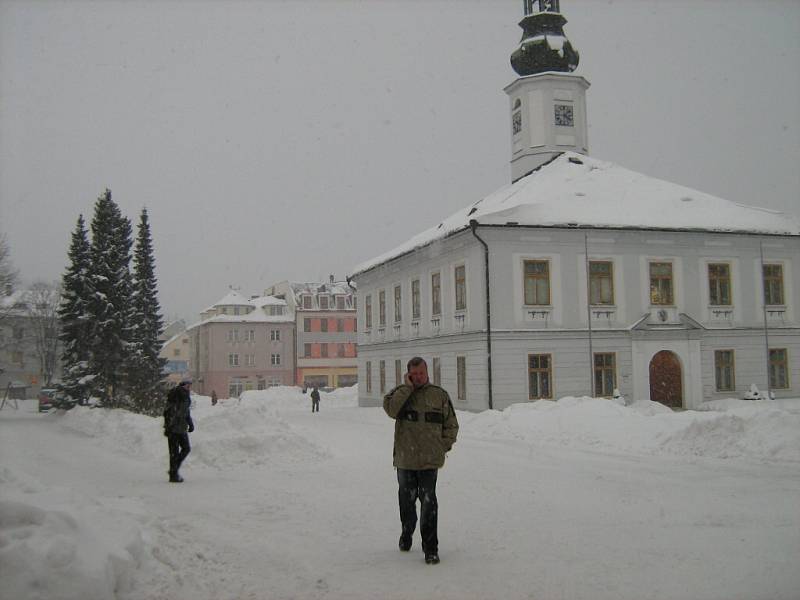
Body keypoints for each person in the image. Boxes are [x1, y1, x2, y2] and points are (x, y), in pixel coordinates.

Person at [383, 357, 459, 565]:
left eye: (421, 373)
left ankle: (430, 548)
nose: (418, 377)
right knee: (407, 503)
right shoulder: (398, 394)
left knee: (428, 503)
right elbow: (390, 411)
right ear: (408, 374)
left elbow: (451, 425)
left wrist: (442, 447)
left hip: (429, 462)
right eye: (414, 374)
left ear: (427, 373)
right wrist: (407, 389)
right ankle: (407, 532)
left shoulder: (438, 395)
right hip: (406, 461)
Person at [164, 379, 194, 483]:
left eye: (190, 386)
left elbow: (185, 411)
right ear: (184, 385)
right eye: (188, 386)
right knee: (178, 451)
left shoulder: (182, 395)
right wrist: (169, 426)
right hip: (175, 428)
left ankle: (173, 471)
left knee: (181, 450)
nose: (190, 387)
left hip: (178, 428)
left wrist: (190, 423)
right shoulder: (179, 395)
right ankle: (173, 473)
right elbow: (172, 412)